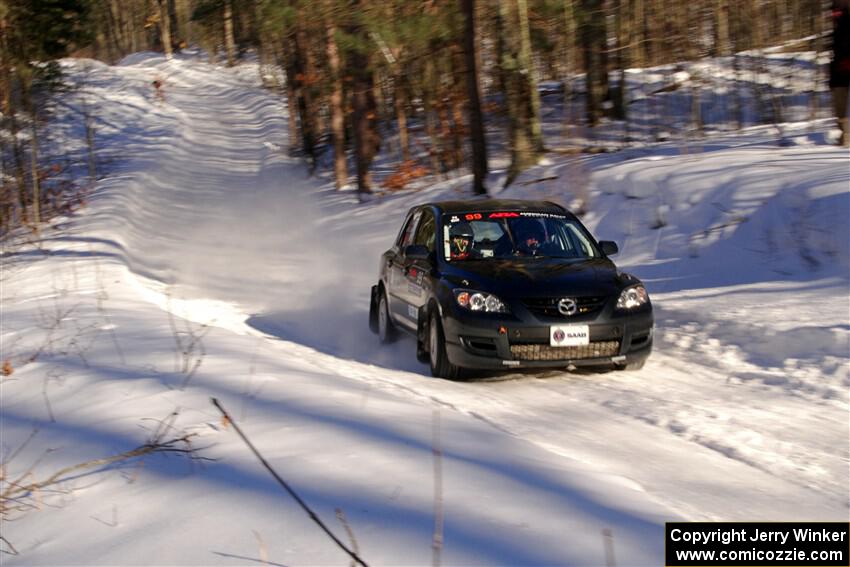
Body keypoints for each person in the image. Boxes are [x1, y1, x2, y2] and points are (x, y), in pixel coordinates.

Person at [830, 0, 850, 147]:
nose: (834, 14)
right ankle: (844, 137)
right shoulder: (837, 26)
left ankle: (846, 138)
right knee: (840, 106)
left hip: (844, 68)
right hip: (839, 71)